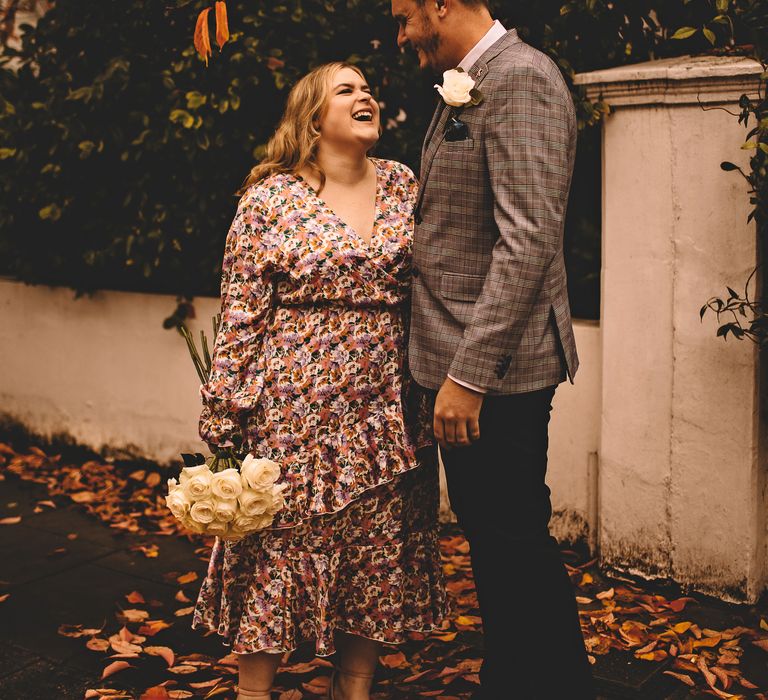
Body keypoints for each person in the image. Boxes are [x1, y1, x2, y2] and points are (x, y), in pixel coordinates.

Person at [191, 62, 448, 700]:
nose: (366, 97)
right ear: (313, 115)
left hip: (391, 408)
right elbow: (242, 312)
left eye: (368, 89)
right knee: (276, 551)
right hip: (292, 410)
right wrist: (226, 413)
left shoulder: (405, 184)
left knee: (376, 550)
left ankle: (352, 688)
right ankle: (254, 692)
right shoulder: (269, 198)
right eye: (347, 90)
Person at [390, 0, 596, 697]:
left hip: (496, 369)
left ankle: (553, 682)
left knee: (511, 537)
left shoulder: (522, 79)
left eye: (403, 18)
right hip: (465, 354)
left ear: (441, 5)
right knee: (494, 536)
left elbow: (528, 241)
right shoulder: (475, 79)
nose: (400, 36)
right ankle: (514, 674)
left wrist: (468, 376)